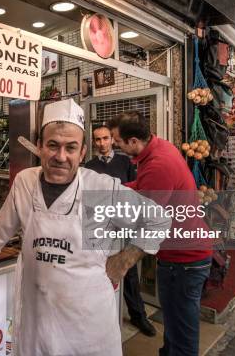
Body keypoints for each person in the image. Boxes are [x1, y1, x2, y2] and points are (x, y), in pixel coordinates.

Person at [0, 99, 172, 356]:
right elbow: (0, 230)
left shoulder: (100, 188)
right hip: (36, 323)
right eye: (53, 145)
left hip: (86, 330)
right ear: (40, 147)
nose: (61, 157)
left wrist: (124, 261)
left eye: (71, 148)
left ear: (82, 153)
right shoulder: (25, 182)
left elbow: (159, 219)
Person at [108, 111, 213, 356]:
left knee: (182, 330)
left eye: (116, 140)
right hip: (177, 257)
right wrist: (114, 187)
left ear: (133, 141)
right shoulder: (158, 147)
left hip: (186, 260)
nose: (114, 144)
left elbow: (145, 219)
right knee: (174, 324)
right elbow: (145, 187)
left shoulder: (158, 164)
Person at [84, 124, 155, 337]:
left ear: (112, 140)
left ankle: (138, 316)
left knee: (129, 273)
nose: (102, 143)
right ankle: (99, 320)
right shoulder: (89, 166)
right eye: (97, 139)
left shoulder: (126, 162)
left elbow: (135, 189)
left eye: (105, 138)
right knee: (98, 271)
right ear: (93, 142)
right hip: (99, 226)